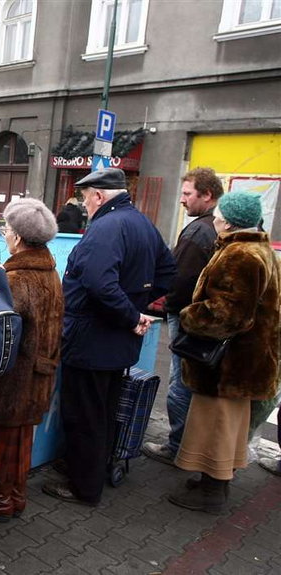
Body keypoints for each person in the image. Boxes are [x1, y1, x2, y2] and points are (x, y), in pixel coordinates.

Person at [43, 168, 176, 506]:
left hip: (91, 339)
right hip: (116, 342)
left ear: (99, 196)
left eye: (86, 198)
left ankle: (83, 487)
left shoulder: (106, 227)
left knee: (84, 414)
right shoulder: (142, 223)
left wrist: (131, 315)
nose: (84, 204)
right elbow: (167, 272)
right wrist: (138, 306)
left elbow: (99, 283)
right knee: (103, 410)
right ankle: (92, 468)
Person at [168, 191, 281, 513]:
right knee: (226, 426)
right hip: (245, 360)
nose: (215, 219)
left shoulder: (240, 254)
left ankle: (212, 491)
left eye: (219, 215)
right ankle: (210, 481)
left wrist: (190, 316)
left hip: (229, 365)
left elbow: (227, 314)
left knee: (218, 426)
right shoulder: (257, 249)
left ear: (229, 221)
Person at [0, 198, 63, 521]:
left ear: (17, 238)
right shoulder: (50, 272)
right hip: (39, 374)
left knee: (1, 440)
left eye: (6, 229)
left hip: (14, 379)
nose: (3, 234)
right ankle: (16, 496)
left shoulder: (17, 279)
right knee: (20, 439)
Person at [142, 167, 222, 465]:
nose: (182, 200)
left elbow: (180, 279)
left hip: (187, 316)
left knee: (181, 383)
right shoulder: (215, 227)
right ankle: (190, 446)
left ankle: (177, 447)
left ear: (207, 195)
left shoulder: (199, 230)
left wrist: (158, 306)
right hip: (202, 317)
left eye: (188, 194)